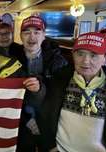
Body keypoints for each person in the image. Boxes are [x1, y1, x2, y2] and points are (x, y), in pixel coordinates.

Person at [39, 32, 106, 152]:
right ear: (73, 55)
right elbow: (45, 116)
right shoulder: (59, 80)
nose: (86, 61)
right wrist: (50, 146)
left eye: (93, 55)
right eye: (80, 54)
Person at [13, 15, 68, 151]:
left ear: (44, 36)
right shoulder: (12, 60)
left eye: (36, 32)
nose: (32, 37)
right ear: (20, 36)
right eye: (27, 32)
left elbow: (59, 97)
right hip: (22, 123)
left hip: (50, 122)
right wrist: (27, 119)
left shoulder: (58, 61)